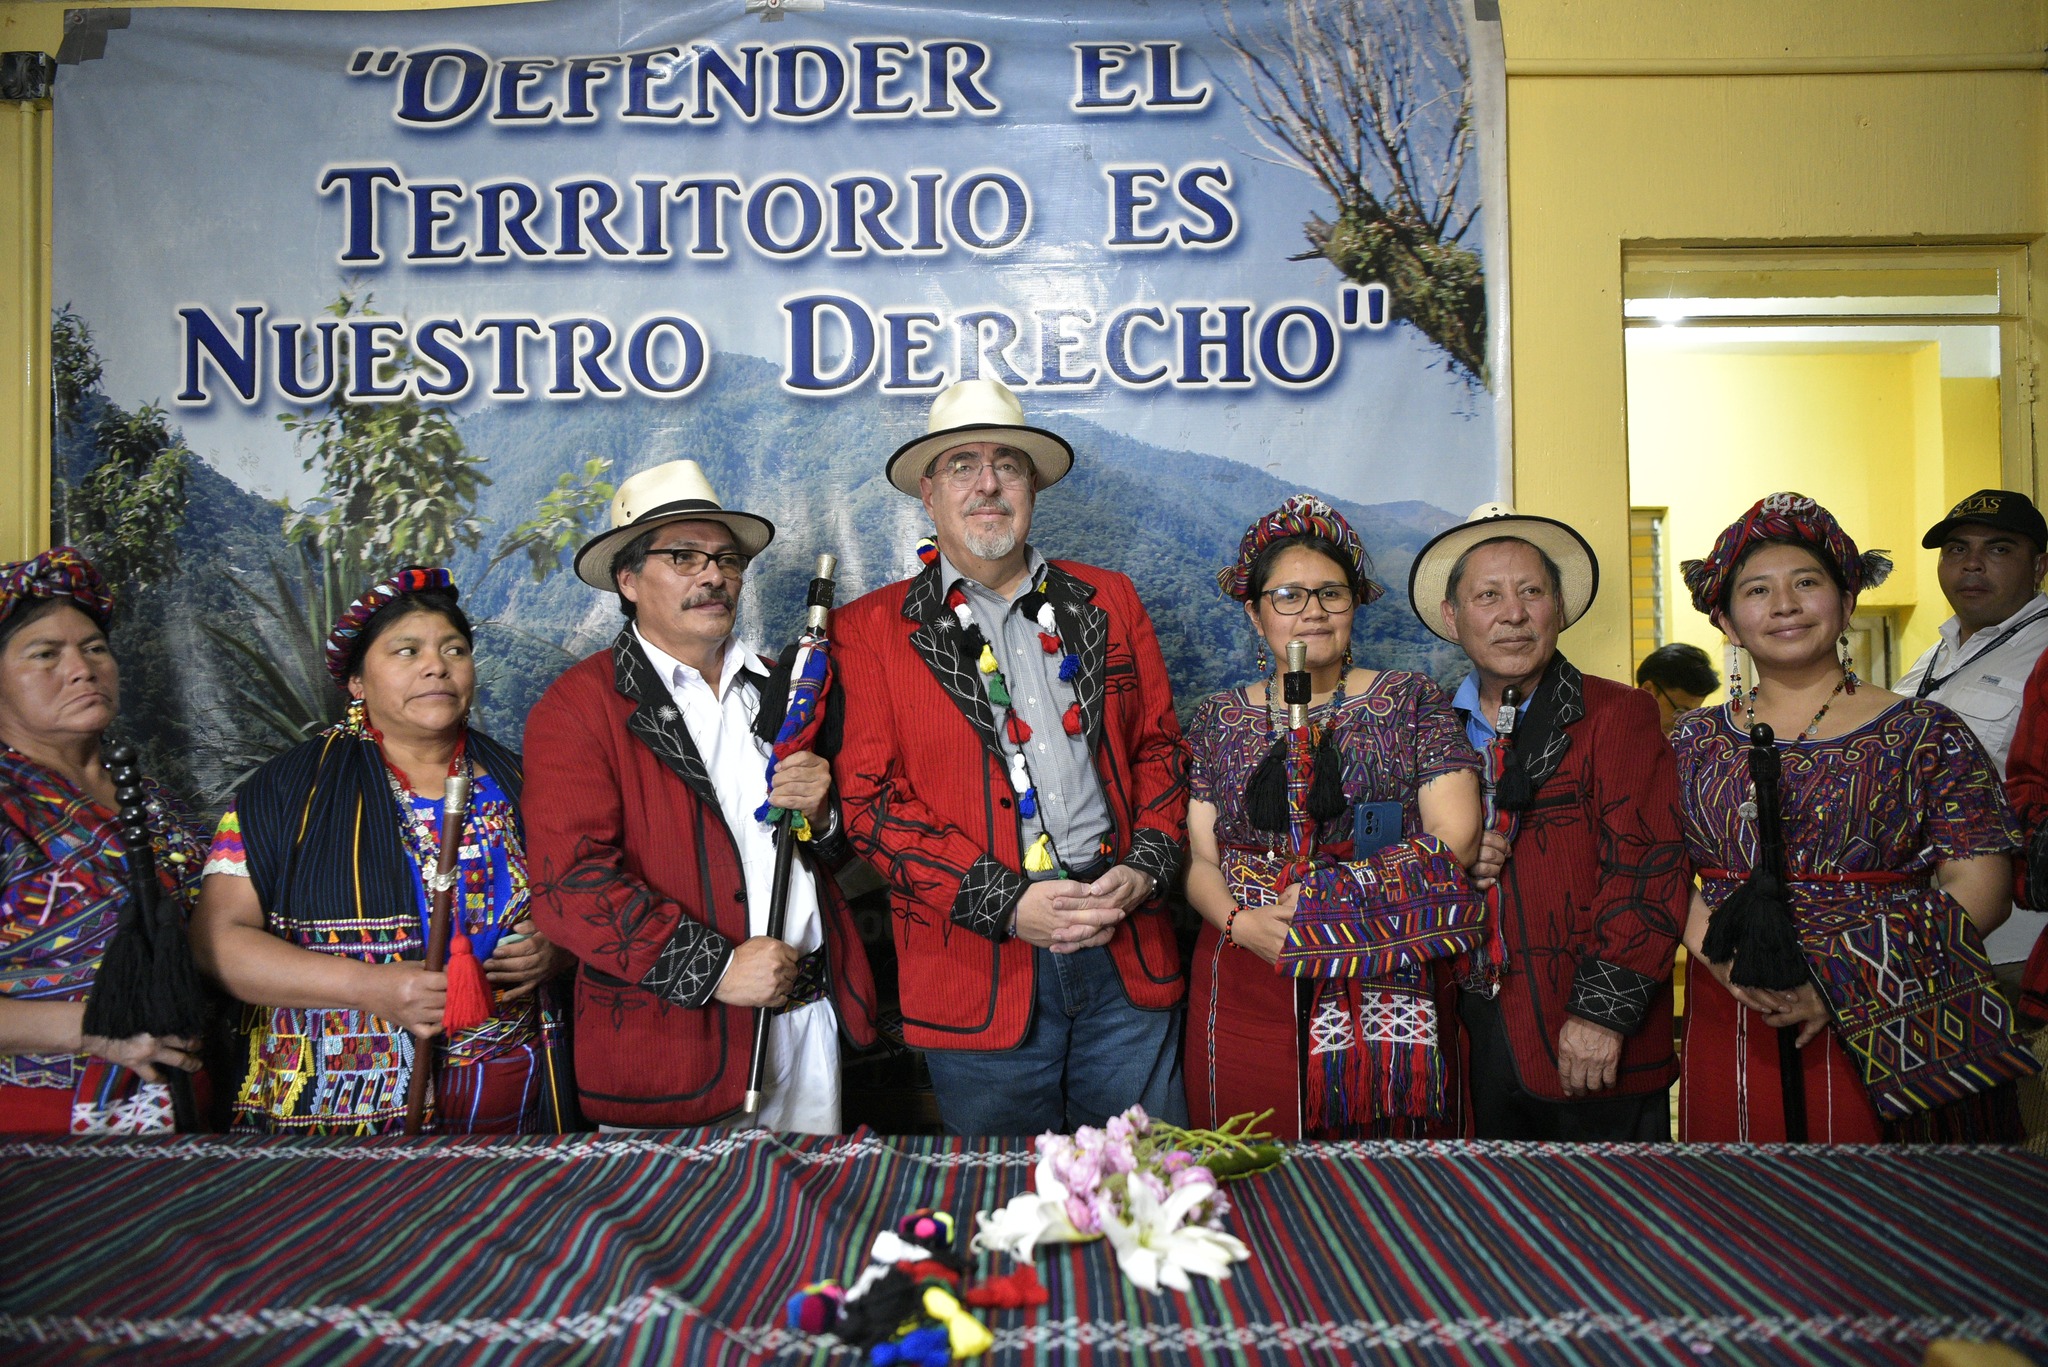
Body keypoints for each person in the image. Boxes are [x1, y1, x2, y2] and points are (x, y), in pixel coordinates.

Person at [833, 379, 1188, 1136]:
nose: (988, 482)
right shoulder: (869, 628)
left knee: (1148, 1183)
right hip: (977, 964)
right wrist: (1004, 903)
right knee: (1002, 1204)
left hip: (1126, 945)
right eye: (962, 465)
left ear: (1033, 487)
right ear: (929, 494)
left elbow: (1159, 748)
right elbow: (869, 803)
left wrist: (1149, 864)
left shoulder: (1110, 600)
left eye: (1008, 464)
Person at [1673, 492, 2039, 1143]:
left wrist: (1850, 983)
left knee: (1883, 1226)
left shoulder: (1925, 732)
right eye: (1757, 589)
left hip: (1894, 1000)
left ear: (1845, 603)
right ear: (1726, 619)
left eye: (1806, 583)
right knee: (1742, 1220)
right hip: (1730, 999)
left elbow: (1982, 885)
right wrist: (1727, 963)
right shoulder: (1689, 741)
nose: (1784, 604)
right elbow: (1657, 868)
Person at [524, 460, 876, 1132]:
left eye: (726, 558)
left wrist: (824, 815)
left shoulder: (784, 689)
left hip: (809, 1029)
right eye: (682, 557)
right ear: (627, 580)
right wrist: (714, 968)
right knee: (675, 1237)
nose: (712, 575)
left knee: (799, 1232)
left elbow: (836, 854)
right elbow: (569, 884)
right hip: (670, 1051)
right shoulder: (578, 707)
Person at [192, 568, 574, 1134]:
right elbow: (216, 943)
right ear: (357, 682)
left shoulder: (526, 780)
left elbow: (590, 902)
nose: (435, 665)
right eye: (406, 650)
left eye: (454, 649)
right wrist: (372, 988)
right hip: (341, 1114)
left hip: (520, 1098)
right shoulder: (284, 794)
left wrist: (558, 949)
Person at [1183, 496, 1482, 1140]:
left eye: (1332, 593)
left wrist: (1329, 904)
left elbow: (1454, 836)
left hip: (1383, 958)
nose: (1312, 611)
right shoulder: (1218, 718)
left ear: (1355, 604)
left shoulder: (1408, 702)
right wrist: (1241, 924)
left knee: (1388, 1179)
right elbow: (1201, 860)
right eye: (1288, 595)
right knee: (1249, 1164)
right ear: (1253, 610)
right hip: (1247, 963)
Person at [1411, 503, 1689, 1141]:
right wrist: (1448, 860)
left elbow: (1648, 867)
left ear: (1558, 608)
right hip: (1461, 1035)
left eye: (1532, 591)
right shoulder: (1427, 726)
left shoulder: (1619, 715)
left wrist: (1602, 1014)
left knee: (1611, 1230)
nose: (1513, 614)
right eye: (1488, 596)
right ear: (1454, 617)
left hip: (1583, 1039)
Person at [0, 548, 205, 1133]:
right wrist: (95, 1029)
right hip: (40, 1133)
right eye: (45, 654)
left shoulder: (153, 800)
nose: (82, 669)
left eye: (94, 648)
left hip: (188, 1110)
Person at [1895, 489, 2048, 969]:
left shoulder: (2043, 652)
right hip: (1927, 928)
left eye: (1999, 549)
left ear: (2040, 566)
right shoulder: (1932, 655)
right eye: (1957, 549)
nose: (1972, 564)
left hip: (2017, 944)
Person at [1635, 642, 1718, 735]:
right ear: (1648, 690)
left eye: (1693, 716)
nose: (1685, 725)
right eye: (1680, 711)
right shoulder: (1618, 737)